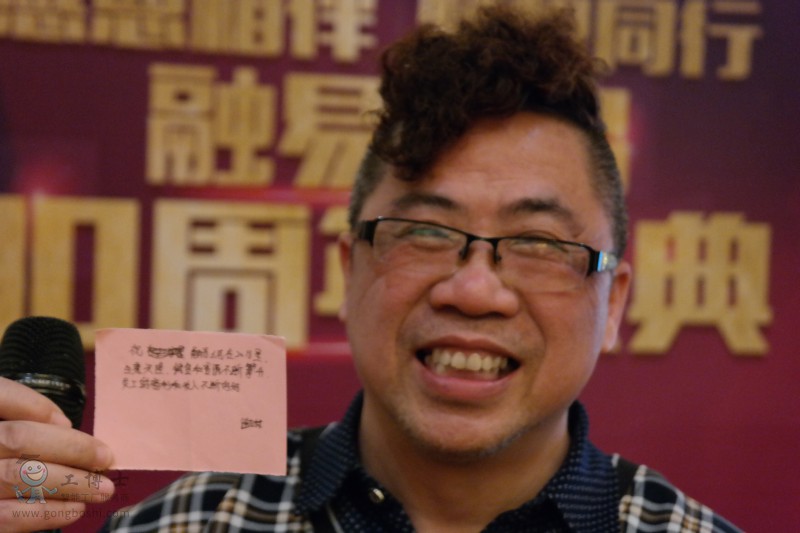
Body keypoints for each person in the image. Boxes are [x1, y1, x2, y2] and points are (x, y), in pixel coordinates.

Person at [0, 6, 741, 532]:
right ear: (347, 270)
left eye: (539, 243)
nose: (474, 289)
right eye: (424, 231)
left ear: (614, 301)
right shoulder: (182, 523)